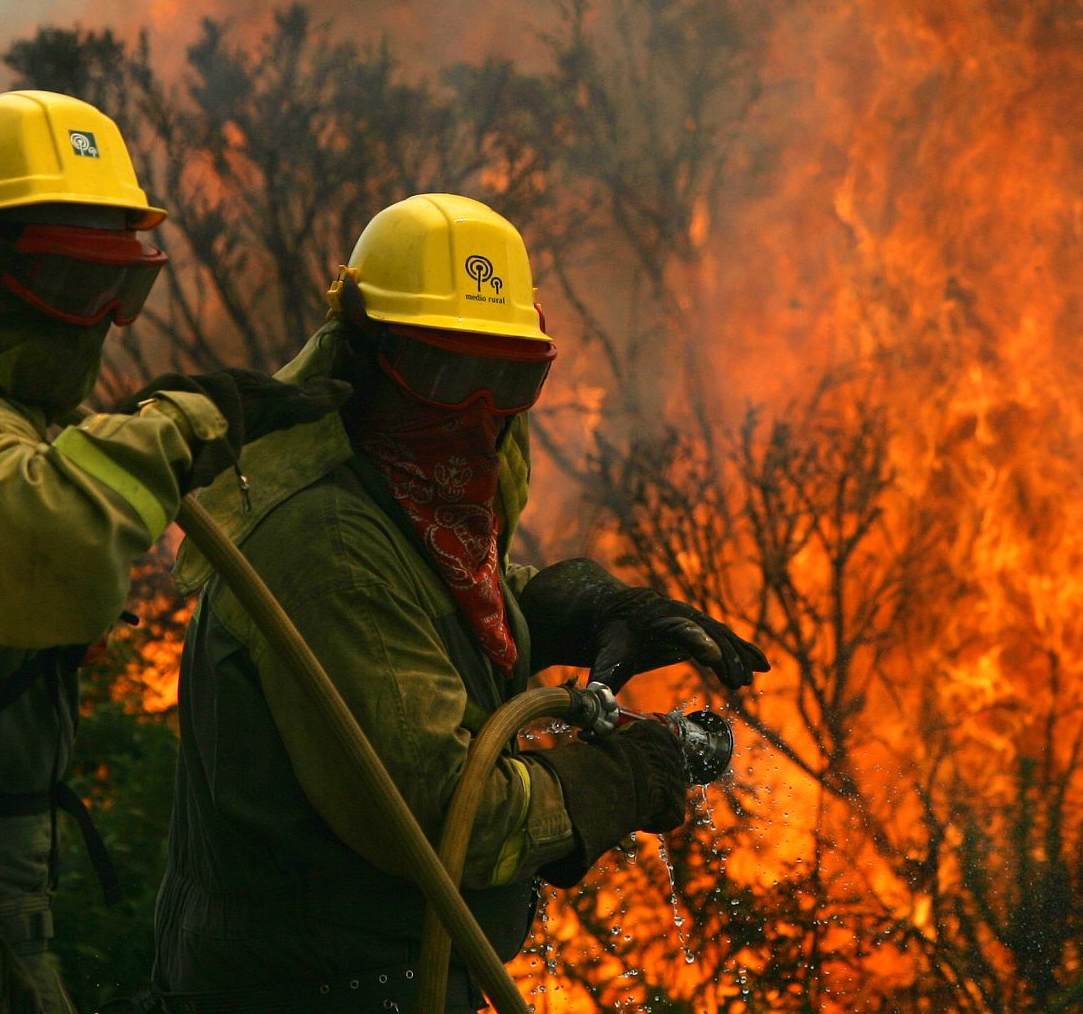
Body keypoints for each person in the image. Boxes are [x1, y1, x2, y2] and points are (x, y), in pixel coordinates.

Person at [151, 193, 769, 1012]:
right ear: (367, 364)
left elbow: (435, 613)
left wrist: (586, 609)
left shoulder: (399, 512)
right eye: (445, 375)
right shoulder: (328, 544)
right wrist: (624, 773)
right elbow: (454, 818)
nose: (477, 414)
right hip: (312, 993)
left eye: (507, 378)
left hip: (399, 986)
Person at [0, 90, 349, 1014]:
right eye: (73, 287)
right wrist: (183, 422)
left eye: (122, 290)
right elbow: (49, 543)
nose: (100, 322)